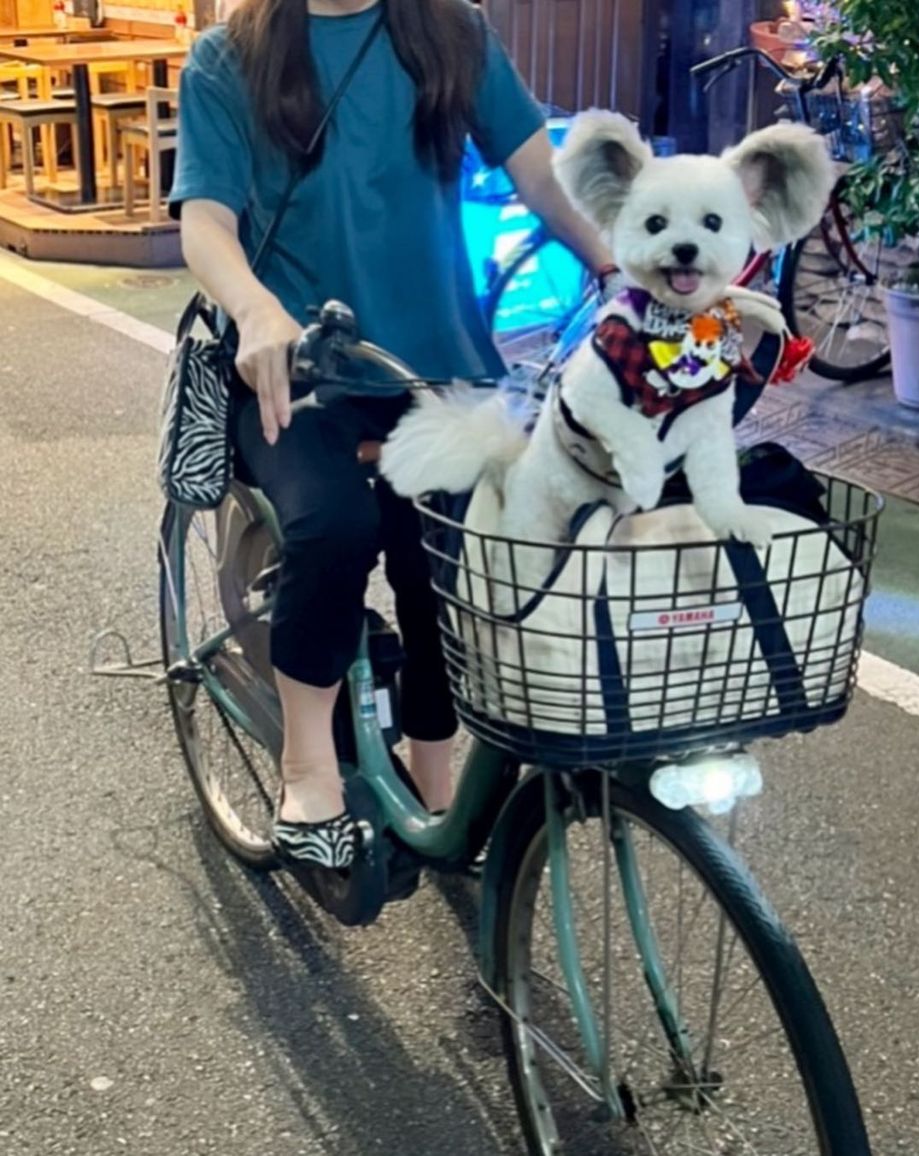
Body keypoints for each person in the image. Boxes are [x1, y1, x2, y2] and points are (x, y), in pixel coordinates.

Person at [169, 0, 614, 867]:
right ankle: (307, 763)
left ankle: (435, 773)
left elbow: (542, 178)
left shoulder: (453, 32)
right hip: (299, 371)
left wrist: (623, 269)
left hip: (439, 366)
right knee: (335, 525)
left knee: (453, 560)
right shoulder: (230, 59)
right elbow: (205, 225)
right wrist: (256, 310)